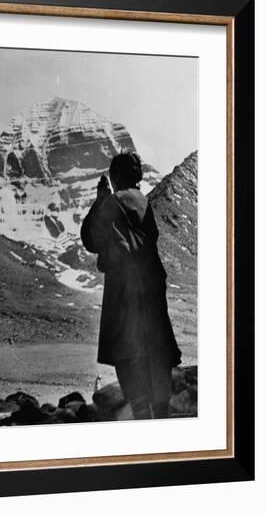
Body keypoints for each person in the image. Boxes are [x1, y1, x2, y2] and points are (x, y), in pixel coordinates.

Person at [81, 152, 182, 419]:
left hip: (125, 288)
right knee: (155, 348)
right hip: (151, 283)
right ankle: (160, 413)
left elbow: (90, 239)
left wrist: (100, 200)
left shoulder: (113, 203)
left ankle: (141, 415)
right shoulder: (143, 201)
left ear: (117, 176)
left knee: (127, 350)